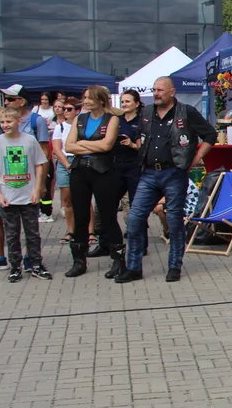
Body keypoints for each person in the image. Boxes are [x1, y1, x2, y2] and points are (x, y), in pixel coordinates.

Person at [117, 77, 216, 284]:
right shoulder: (145, 112)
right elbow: (138, 137)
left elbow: (210, 135)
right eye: (154, 90)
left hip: (174, 173)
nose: (156, 93)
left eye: (160, 90)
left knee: (174, 220)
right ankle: (133, 267)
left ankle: (174, 266)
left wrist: (196, 159)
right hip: (148, 173)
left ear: (172, 92)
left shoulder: (186, 111)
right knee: (134, 219)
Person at [0, 85, 50, 274]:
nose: (5, 124)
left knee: (32, 233)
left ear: (19, 120)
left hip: (28, 192)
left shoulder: (32, 133)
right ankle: (13, 265)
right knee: (11, 232)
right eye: (2, 122)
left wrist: (39, 188)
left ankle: (34, 263)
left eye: (10, 99)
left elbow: (40, 162)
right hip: (7, 194)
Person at [63, 85, 121, 278]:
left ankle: (118, 259)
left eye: (90, 98)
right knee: (80, 217)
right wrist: (90, 146)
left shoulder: (111, 119)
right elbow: (69, 146)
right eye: (85, 97)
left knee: (107, 216)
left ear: (101, 100)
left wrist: (82, 144)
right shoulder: (80, 119)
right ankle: (79, 260)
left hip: (103, 171)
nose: (86, 101)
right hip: (80, 171)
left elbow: (107, 145)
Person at [107, 90, 144, 277]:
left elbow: (143, 146)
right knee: (109, 205)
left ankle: (141, 244)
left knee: (136, 206)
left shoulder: (142, 121)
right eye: (122, 101)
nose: (125, 104)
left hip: (134, 166)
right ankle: (110, 243)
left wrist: (131, 144)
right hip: (116, 166)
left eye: (128, 101)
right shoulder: (117, 120)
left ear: (137, 103)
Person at [52, 98, 79, 245]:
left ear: (77, 111)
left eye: (69, 109)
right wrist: (67, 164)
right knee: (67, 199)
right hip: (64, 161)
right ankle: (71, 231)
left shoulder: (81, 125)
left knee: (84, 198)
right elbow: (56, 148)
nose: (65, 112)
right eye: (64, 109)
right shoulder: (59, 127)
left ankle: (90, 231)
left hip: (78, 159)